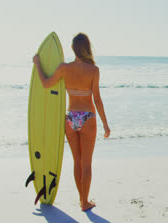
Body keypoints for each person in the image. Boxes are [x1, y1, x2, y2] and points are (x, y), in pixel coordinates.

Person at [33, 33, 110, 211]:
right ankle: (85, 202)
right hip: (88, 118)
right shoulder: (94, 70)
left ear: (72, 49)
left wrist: (37, 63)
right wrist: (105, 124)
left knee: (77, 161)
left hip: (70, 118)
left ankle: (81, 200)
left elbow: (45, 83)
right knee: (86, 163)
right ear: (88, 48)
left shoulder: (64, 68)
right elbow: (97, 99)